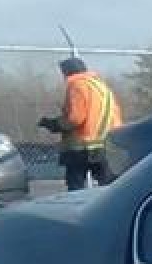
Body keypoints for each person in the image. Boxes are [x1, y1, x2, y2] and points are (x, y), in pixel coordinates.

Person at [40, 56, 123, 191]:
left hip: (82, 148)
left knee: (76, 189)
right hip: (106, 144)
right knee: (108, 189)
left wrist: (54, 124)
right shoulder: (100, 86)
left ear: (68, 72)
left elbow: (75, 119)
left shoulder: (77, 85)